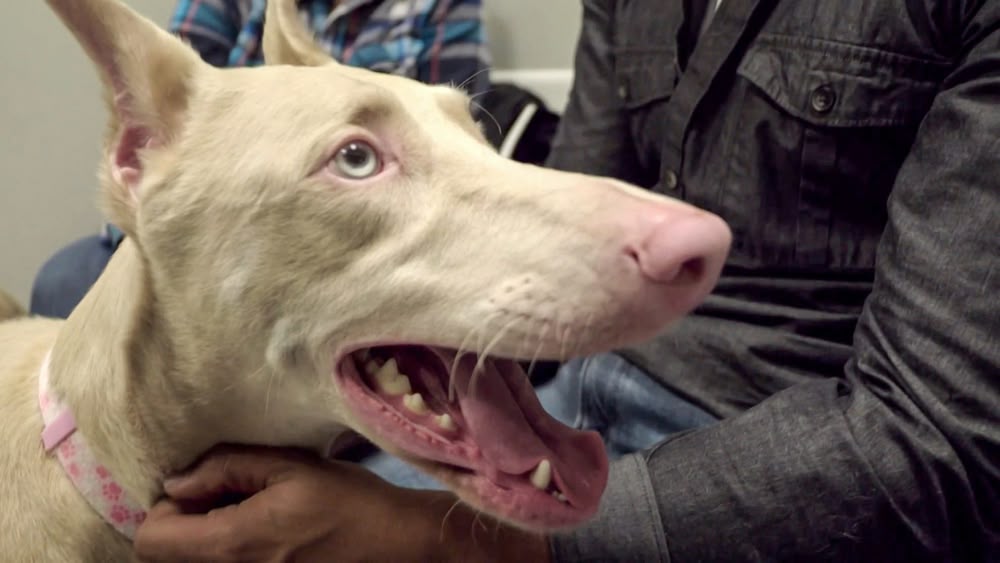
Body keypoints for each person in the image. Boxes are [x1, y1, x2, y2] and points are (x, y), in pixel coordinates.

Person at [135, 0, 1000, 560]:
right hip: (559, 403)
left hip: (773, 469)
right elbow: (554, 227)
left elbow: (940, 442)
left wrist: (446, 541)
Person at [29, 0, 491, 320]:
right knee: (65, 280)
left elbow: (443, 143)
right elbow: (175, 112)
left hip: (365, 238)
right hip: (217, 218)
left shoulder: (435, 6)